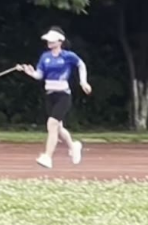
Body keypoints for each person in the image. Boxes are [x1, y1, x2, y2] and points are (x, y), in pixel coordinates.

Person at [16, 26, 92, 168]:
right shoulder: (45, 57)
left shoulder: (68, 56)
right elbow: (39, 75)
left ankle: (48, 156)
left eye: (52, 40)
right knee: (58, 128)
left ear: (60, 41)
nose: (49, 42)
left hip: (63, 95)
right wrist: (29, 72)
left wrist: (83, 82)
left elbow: (81, 65)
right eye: (48, 40)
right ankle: (73, 146)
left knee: (52, 124)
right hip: (50, 95)